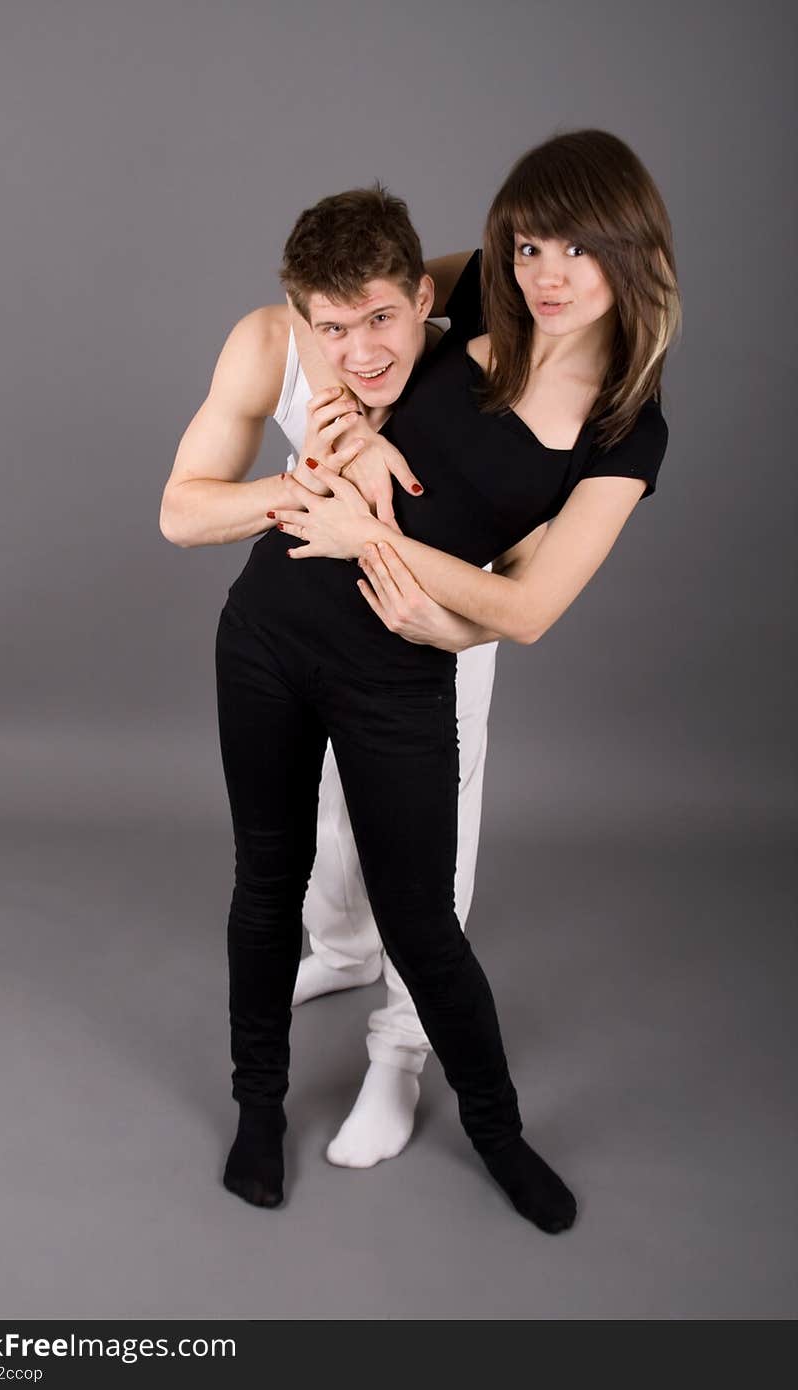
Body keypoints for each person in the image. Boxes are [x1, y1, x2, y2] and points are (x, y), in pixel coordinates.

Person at [163, 129, 680, 1234]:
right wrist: (336, 424)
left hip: (402, 668)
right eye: (529, 246)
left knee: (425, 926)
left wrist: (371, 541)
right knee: (268, 880)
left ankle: (497, 1130)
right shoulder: (487, 295)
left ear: (632, 256)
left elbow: (530, 608)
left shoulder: (627, 430)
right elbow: (358, 301)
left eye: (578, 252)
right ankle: (260, 1107)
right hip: (268, 628)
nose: (546, 275)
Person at [163, 194, 512, 1170]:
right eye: (333, 325)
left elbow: (534, 273)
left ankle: (401, 1051)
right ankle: (345, 952)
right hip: (313, 628)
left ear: (422, 297)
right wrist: (309, 479)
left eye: (382, 318)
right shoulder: (267, 342)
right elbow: (181, 514)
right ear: (297, 312)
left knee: (430, 869)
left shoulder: (469, 356)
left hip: (433, 620)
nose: (361, 352)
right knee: (318, 821)